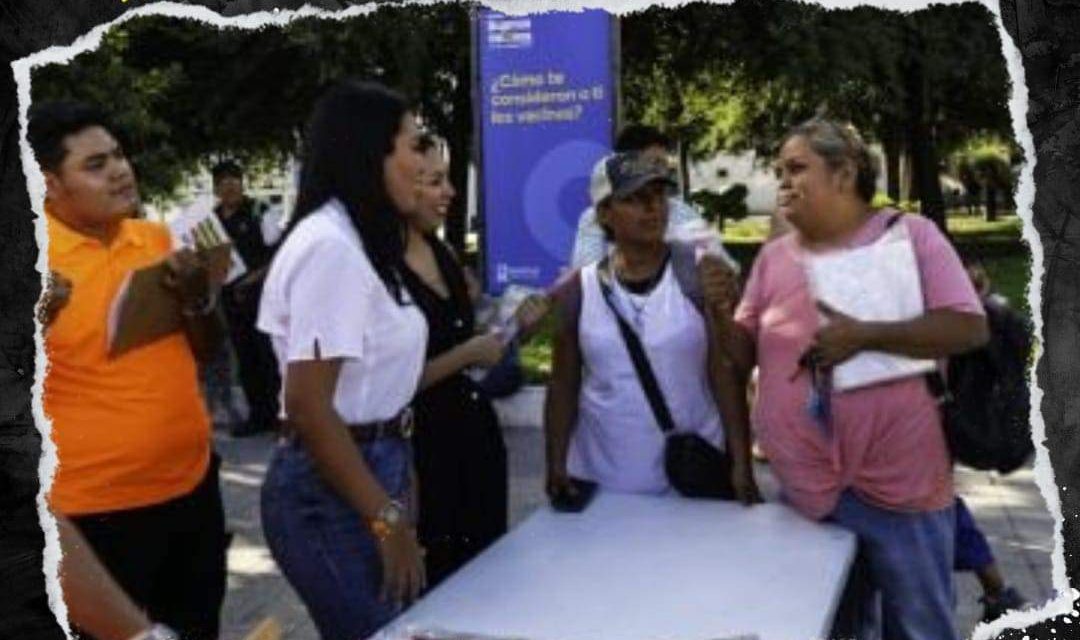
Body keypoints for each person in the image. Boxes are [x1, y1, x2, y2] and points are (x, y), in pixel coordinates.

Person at [706, 118, 989, 640]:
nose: (782, 182)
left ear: (843, 173)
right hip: (809, 492)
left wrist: (866, 337)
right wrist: (721, 312)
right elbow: (740, 354)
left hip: (901, 490)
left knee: (917, 627)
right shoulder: (773, 258)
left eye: (797, 169)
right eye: (778, 172)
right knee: (825, 626)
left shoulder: (912, 237)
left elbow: (968, 328)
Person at [29, 101, 228, 640]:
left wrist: (196, 301)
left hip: (190, 492)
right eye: (95, 165)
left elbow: (206, 352)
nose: (120, 170)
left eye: (119, 155)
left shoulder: (157, 240)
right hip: (91, 521)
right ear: (50, 184)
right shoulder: (30, 266)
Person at [257, 80, 428, 640]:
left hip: (372, 468)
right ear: (371, 150)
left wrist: (397, 492)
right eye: (414, 146)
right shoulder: (330, 246)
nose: (423, 164)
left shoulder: (361, 241)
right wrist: (387, 518)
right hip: (329, 490)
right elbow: (310, 406)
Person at [545, 151, 759, 502]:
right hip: (607, 485)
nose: (653, 208)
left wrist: (741, 462)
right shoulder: (578, 291)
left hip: (692, 480)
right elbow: (563, 384)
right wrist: (555, 465)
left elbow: (725, 371)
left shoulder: (699, 274)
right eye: (635, 199)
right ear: (604, 213)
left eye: (659, 196)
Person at [399, 134, 547, 588]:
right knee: (441, 580)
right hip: (423, 451)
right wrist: (464, 355)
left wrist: (518, 327)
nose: (450, 192)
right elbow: (387, 385)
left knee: (487, 578)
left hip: (474, 438)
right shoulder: (376, 267)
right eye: (435, 180)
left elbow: (470, 341)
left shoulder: (440, 252)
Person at [570, 125, 736, 269]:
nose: (662, 172)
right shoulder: (595, 218)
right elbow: (585, 275)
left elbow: (724, 267)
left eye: (664, 164)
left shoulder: (682, 212)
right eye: (655, 163)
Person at [212, 160, 282, 437]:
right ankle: (258, 415)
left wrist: (250, 282)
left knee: (269, 357)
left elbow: (276, 256)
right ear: (215, 188)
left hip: (262, 297)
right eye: (223, 182)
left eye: (234, 180)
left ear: (242, 183)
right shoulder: (212, 220)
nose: (229, 186)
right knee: (245, 357)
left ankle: (281, 417)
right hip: (231, 301)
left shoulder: (261, 211)